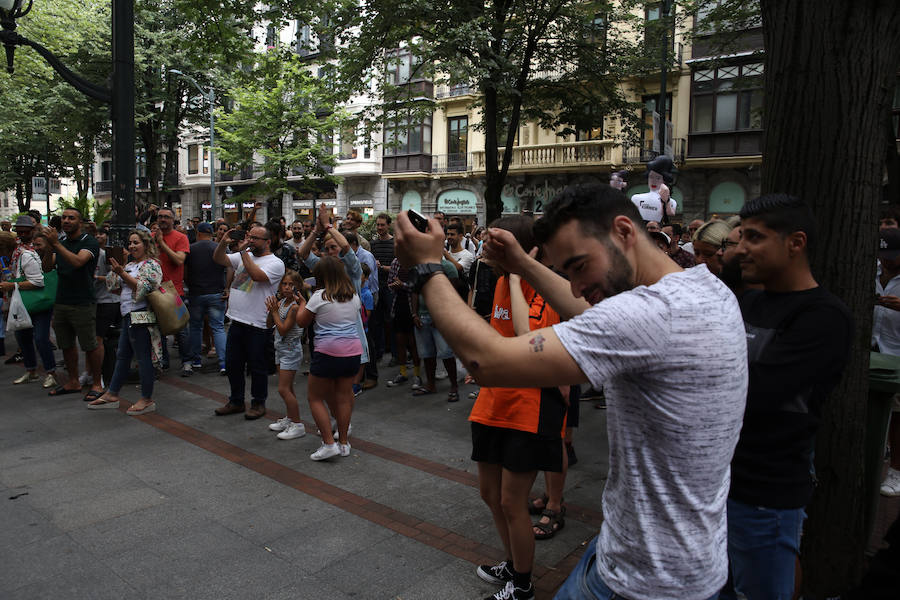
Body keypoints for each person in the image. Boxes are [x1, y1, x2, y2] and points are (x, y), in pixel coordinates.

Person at [394, 182, 747, 600]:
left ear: (623, 232)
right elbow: (590, 311)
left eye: (579, 265)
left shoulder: (652, 314)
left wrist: (428, 269)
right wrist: (523, 265)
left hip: (645, 581)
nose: (576, 287)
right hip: (662, 556)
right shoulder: (700, 289)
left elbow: (485, 361)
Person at [718, 194, 852, 600]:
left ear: (796, 243)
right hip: (718, 487)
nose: (741, 248)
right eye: (739, 237)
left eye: (754, 238)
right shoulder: (745, 300)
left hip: (765, 496)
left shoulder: (824, 317)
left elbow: (753, 393)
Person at [468, 215, 566, 600]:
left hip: (531, 407)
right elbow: (499, 338)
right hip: (494, 401)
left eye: (494, 241)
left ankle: (523, 584)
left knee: (512, 502)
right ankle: (512, 564)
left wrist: (514, 276)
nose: (484, 246)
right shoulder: (497, 285)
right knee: (489, 495)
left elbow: (528, 340)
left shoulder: (544, 288)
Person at [86, 229, 163, 415]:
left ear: (146, 245)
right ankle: (112, 393)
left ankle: (146, 398)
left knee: (143, 358)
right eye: (130, 243)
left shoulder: (152, 265)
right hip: (127, 314)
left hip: (142, 315)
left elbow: (143, 288)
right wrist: (118, 269)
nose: (132, 246)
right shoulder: (129, 264)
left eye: (136, 242)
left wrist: (123, 273)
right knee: (122, 355)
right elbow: (113, 286)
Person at [213, 225, 285, 419]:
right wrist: (223, 242)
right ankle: (236, 401)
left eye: (255, 238)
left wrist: (243, 250)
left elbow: (257, 276)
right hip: (237, 319)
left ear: (268, 242)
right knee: (233, 364)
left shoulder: (275, 263)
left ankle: (258, 403)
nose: (250, 240)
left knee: (257, 366)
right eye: (249, 236)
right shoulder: (244, 255)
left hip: (257, 323)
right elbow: (219, 259)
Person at [294, 256, 362, 460]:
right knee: (343, 397)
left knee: (315, 397)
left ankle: (328, 443)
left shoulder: (319, 297)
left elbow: (301, 322)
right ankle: (343, 443)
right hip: (352, 352)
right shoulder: (353, 296)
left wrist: (302, 304)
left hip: (327, 352)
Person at [45, 208, 105, 403]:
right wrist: (48, 248)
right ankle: (73, 381)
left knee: (90, 344)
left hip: (82, 301)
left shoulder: (88, 242)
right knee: (66, 344)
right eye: (64, 218)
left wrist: (55, 244)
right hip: (62, 300)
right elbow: (47, 266)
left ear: (80, 222)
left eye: (71, 218)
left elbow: (78, 262)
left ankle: (97, 383)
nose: (66, 221)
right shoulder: (61, 243)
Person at [0, 216, 57, 388]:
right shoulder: (16, 256)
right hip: (26, 302)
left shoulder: (25, 255)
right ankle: (31, 370)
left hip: (38, 302)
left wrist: (11, 285)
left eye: (25, 231)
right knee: (23, 337)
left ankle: (50, 372)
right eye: (19, 232)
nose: (22, 235)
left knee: (40, 338)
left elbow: (38, 281)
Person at [265, 270, 308, 440]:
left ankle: (298, 425)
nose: (287, 287)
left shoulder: (295, 307)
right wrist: (272, 310)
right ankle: (290, 418)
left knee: (283, 389)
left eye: (291, 284)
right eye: (285, 284)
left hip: (290, 350)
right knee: (288, 387)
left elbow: (282, 330)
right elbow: (269, 324)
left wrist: (275, 312)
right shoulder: (281, 302)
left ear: (298, 287)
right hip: (280, 349)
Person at [875, 227, 900, 497]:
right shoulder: (871, 271)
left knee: (898, 417)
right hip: (872, 348)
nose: (888, 261)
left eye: (893, 256)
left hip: (897, 353)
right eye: (883, 256)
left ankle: (896, 471)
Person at [185, 222, 227, 376]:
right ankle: (223, 363)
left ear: (198, 233)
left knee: (195, 327)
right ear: (212, 233)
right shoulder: (218, 248)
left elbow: (185, 272)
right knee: (218, 327)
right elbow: (228, 268)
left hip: (196, 292)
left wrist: (190, 285)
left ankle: (196, 361)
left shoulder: (191, 249)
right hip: (216, 292)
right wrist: (226, 287)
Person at [153, 207, 191, 373]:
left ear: (173, 220)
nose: (162, 219)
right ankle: (163, 361)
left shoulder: (181, 238)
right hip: (155, 291)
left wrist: (161, 243)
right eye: (160, 216)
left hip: (175, 291)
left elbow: (179, 260)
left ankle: (187, 361)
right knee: (158, 330)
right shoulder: (149, 238)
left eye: (166, 217)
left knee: (180, 329)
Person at [370, 213, 396, 366]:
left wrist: (383, 267)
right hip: (376, 286)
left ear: (388, 225)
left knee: (392, 321)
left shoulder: (395, 244)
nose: (379, 227)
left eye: (382, 225)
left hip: (391, 287)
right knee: (376, 322)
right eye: (378, 225)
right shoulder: (373, 245)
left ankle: (395, 354)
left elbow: (398, 266)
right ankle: (377, 353)